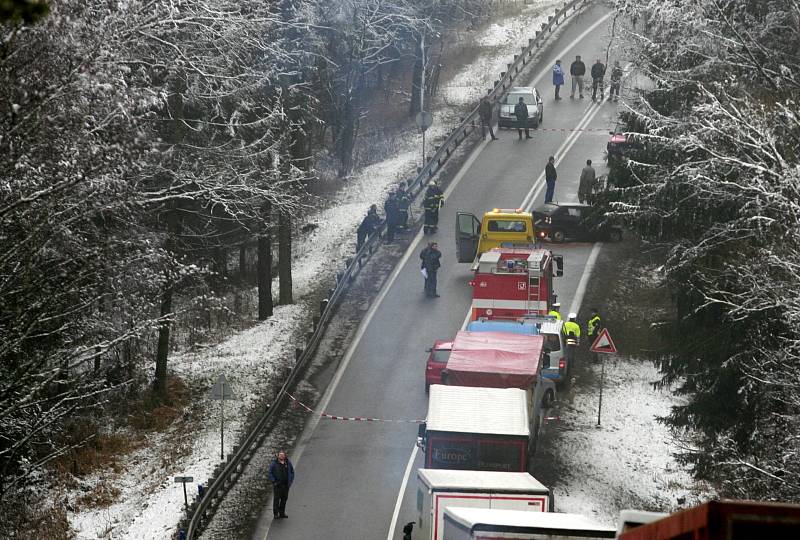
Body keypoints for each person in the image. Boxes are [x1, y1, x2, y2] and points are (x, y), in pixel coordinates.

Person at [268, 450, 295, 519]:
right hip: (278, 485)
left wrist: (290, 481)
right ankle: (276, 514)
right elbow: (270, 473)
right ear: (278, 456)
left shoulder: (288, 462)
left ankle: (282, 513)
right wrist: (274, 481)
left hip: (286, 485)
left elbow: (292, 472)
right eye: (280, 455)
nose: (282, 456)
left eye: (283, 455)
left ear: (285, 456)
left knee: (284, 499)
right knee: (276, 500)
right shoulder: (274, 464)